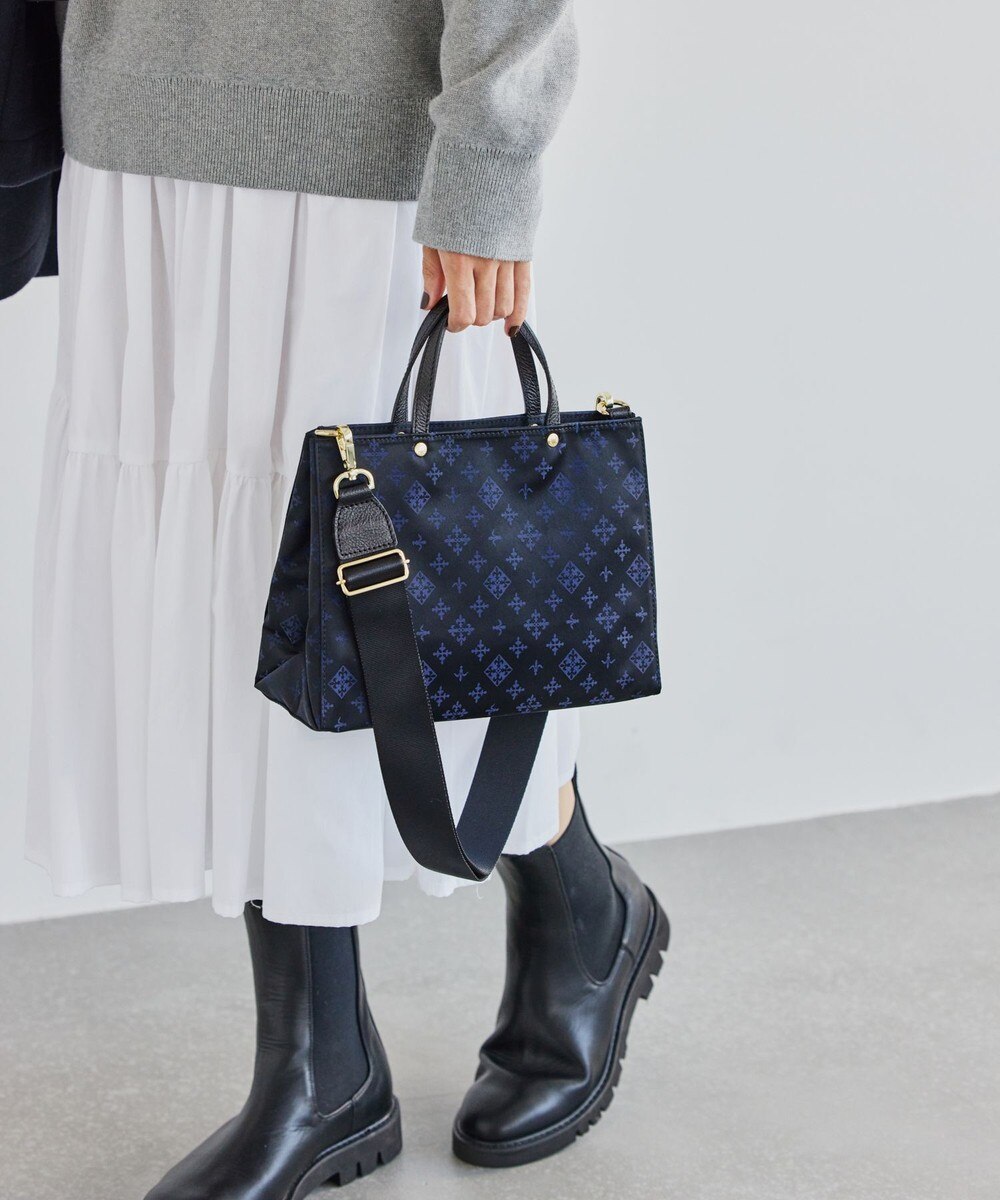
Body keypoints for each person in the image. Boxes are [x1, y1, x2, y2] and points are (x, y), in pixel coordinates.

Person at [25, 2, 670, 1195]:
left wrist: (489, 156)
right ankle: (323, 1067)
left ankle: (580, 909)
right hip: (127, 130)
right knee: (238, 603)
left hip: (359, 145)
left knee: (405, 594)